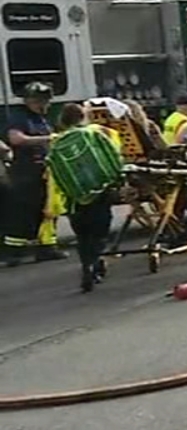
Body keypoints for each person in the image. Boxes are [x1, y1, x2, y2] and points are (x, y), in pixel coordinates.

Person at [53, 103, 122, 292]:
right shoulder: (94, 134)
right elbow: (114, 159)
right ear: (83, 117)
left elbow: (55, 171)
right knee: (99, 231)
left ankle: (86, 265)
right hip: (99, 192)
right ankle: (96, 262)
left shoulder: (57, 142)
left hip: (74, 197)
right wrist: (119, 180)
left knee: (82, 235)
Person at [3, 82, 68, 266]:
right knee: (23, 212)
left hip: (43, 170)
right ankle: (14, 252)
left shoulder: (41, 119)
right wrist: (47, 139)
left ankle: (47, 248)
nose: (46, 105)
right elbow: (16, 139)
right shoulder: (19, 118)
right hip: (26, 171)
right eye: (43, 101)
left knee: (48, 209)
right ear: (32, 101)